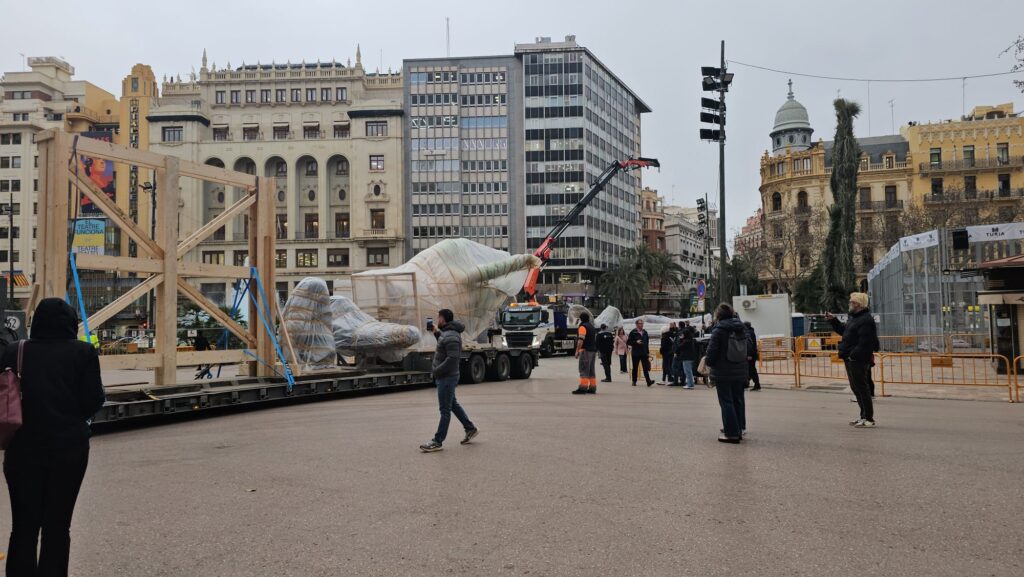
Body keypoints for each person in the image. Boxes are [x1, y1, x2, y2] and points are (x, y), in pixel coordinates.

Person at [2, 298, 105, 576]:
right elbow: (94, 399)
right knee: (57, 526)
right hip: (68, 448)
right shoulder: (83, 353)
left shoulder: (14, 351)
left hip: (21, 448)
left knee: (23, 527)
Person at [420, 309, 478, 452]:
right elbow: (444, 344)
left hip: (446, 377)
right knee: (452, 404)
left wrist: (437, 371)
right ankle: (470, 428)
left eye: (438, 318)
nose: (437, 320)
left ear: (443, 319)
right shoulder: (447, 333)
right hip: (446, 376)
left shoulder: (451, 336)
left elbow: (452, 359)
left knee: (444, 410)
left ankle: (437, 441)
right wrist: (435, 332)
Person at [827, 292, 879, 428]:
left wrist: (853, 356)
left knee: (862, 388)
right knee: (856, 388)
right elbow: (844, 332)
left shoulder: (866, 320)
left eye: (852, 302)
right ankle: (862, 416)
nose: (849, 304)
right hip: (849, 358)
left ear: (859, 304)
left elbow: (865, 342)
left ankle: (869, 418)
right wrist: (833, 320)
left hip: (858, 359)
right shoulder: (854, 318)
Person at [704, 303, 749, 443]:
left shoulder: (719, 330)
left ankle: (732, 433)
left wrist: (709, 363)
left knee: (726, 401)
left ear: (719, 315)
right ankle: (739, 427)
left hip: (723, 371)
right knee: (738, 400)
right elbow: (750, 347)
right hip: (740, 369)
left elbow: (711, 354)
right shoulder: (741, 328)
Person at [572, 313, 599, 395]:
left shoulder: (583, 327)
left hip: (585, 351)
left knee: (583, 369)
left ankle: (583, 388)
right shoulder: (591, 327)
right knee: (591, 370)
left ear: (581, 319)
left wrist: (577, 350)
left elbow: (581, 340)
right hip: (593, 351)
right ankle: (592, 387)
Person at [627, 320, 655, 387]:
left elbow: (646, 343)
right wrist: (636, 342)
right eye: (640, 323)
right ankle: (634, 381)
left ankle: (648, 382)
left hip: (644, 353)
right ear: (636, 324)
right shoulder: (633, 332)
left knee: (645, 368)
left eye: (642, 323)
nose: (642, 324)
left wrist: (648, 352)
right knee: (635, 368)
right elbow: (628, 342)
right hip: (635, 353)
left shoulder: (645, 332)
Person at [743, 321, 761, 391]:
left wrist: (749, 355)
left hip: (751, 355)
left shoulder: (748, 332)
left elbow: (749, 345)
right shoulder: (751, 331)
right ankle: (747, 383)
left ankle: (757, 384)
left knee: (751, 370)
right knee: (750, 369)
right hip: (752, 354)